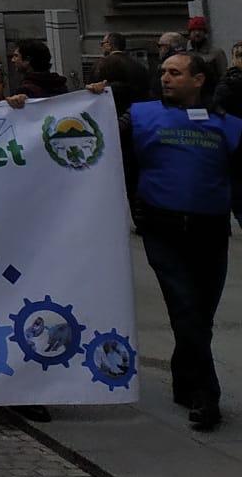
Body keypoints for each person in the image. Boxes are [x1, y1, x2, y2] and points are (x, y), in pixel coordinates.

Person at [87, 53, 242, 430]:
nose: (166, 77)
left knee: (200, 313)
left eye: (175, 72)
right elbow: (92, 138)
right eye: (163, 72)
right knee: (185, 308)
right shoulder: (139, 116)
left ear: (199, 79)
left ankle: (184, 378)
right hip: (162, 228)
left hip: (210, 230)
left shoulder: (229, 125)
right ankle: (208, 395)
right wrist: (89, 101)